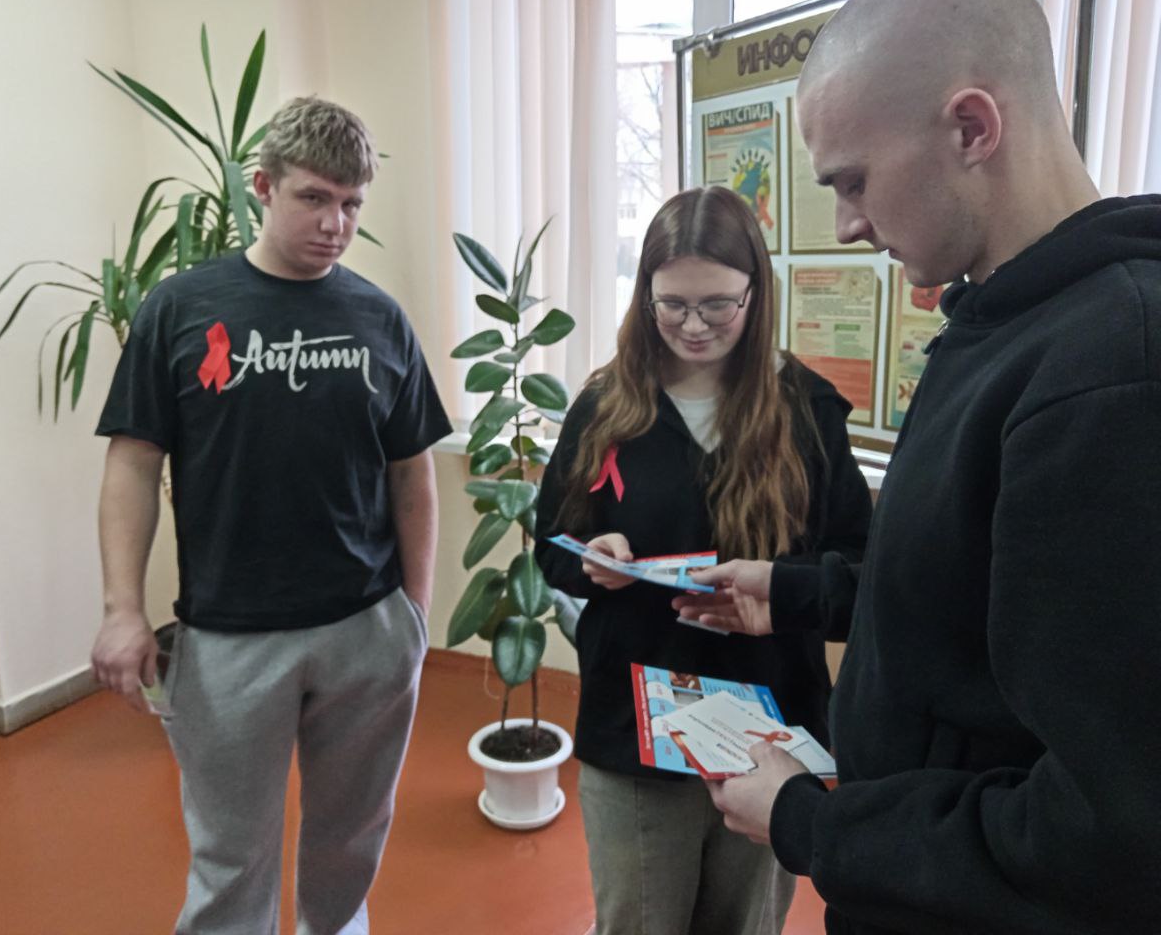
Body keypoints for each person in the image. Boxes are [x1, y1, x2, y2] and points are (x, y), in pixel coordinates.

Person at [674, 0, 1161, 932]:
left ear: (972, 129)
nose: (848, 224)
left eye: (853, 181)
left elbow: (1111, 832)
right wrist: (794, 591)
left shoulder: (1112, 377)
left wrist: (810, 824)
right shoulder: (997, 322)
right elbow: (967, 597)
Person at [90, 96, 452, 935]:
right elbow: (133, 464)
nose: (335, 224)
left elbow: (411, 474)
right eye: (314, 198)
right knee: (231, 857)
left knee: (351, 838)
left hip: (365, 630)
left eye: (352, 204)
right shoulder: (179, 308)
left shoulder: (379, 318)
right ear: (262, 186)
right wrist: (121, 610)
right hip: (229, 639)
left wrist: (414, 615)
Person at [534, 186, 872, 935]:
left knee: (745, 922)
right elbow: (550, 542)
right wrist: (593, 559)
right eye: (672, 304)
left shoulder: (807, 409)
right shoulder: (607, 405)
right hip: (635, 726)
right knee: (638, 920)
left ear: (756, 293)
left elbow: (860, 568)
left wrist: (781, 593)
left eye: (718, 304)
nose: (693, 325)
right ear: (644, 295)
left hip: (768, 731)